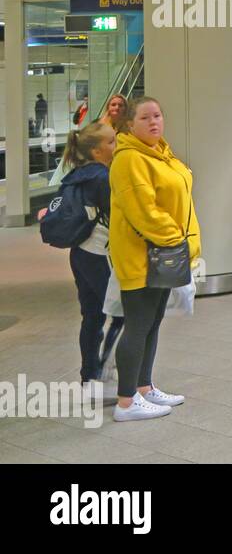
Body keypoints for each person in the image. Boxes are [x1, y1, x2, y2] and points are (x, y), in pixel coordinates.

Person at [109, 96, 200, 422]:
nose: (154, 122)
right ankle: (125, 401)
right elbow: (145, 213)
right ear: (130, 124)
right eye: (145, 118)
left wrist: (185, 248)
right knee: (137, 325)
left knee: (152, 322)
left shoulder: (161, 153)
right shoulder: (130, 159)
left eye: (158, 115)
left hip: (165, 255)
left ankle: (143, 387)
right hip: (143, 257)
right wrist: (178, 243)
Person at [58, 123, 123, 386]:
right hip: (99, 254)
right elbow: (118, 215)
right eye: (111, 142)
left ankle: (89, 376)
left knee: (92, 315)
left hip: (80, 253)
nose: (116, 145)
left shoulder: (78, 174)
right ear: (97, 151)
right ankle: (108, 372)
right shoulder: (102, 178)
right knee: (122, 313)